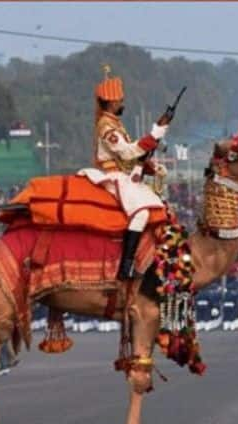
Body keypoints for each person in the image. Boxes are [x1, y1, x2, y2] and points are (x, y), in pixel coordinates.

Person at [78, 67, 172, 280]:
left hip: (124, 174)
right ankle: (125, 266)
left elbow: (131, 155)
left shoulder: (115, 123)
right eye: (119, 100)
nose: (122, 103)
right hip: (113, 177)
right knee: (142, 213)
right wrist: (156, 132)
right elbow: (128, 151)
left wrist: (149, 166)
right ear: (111, 103)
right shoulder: (106, 126)